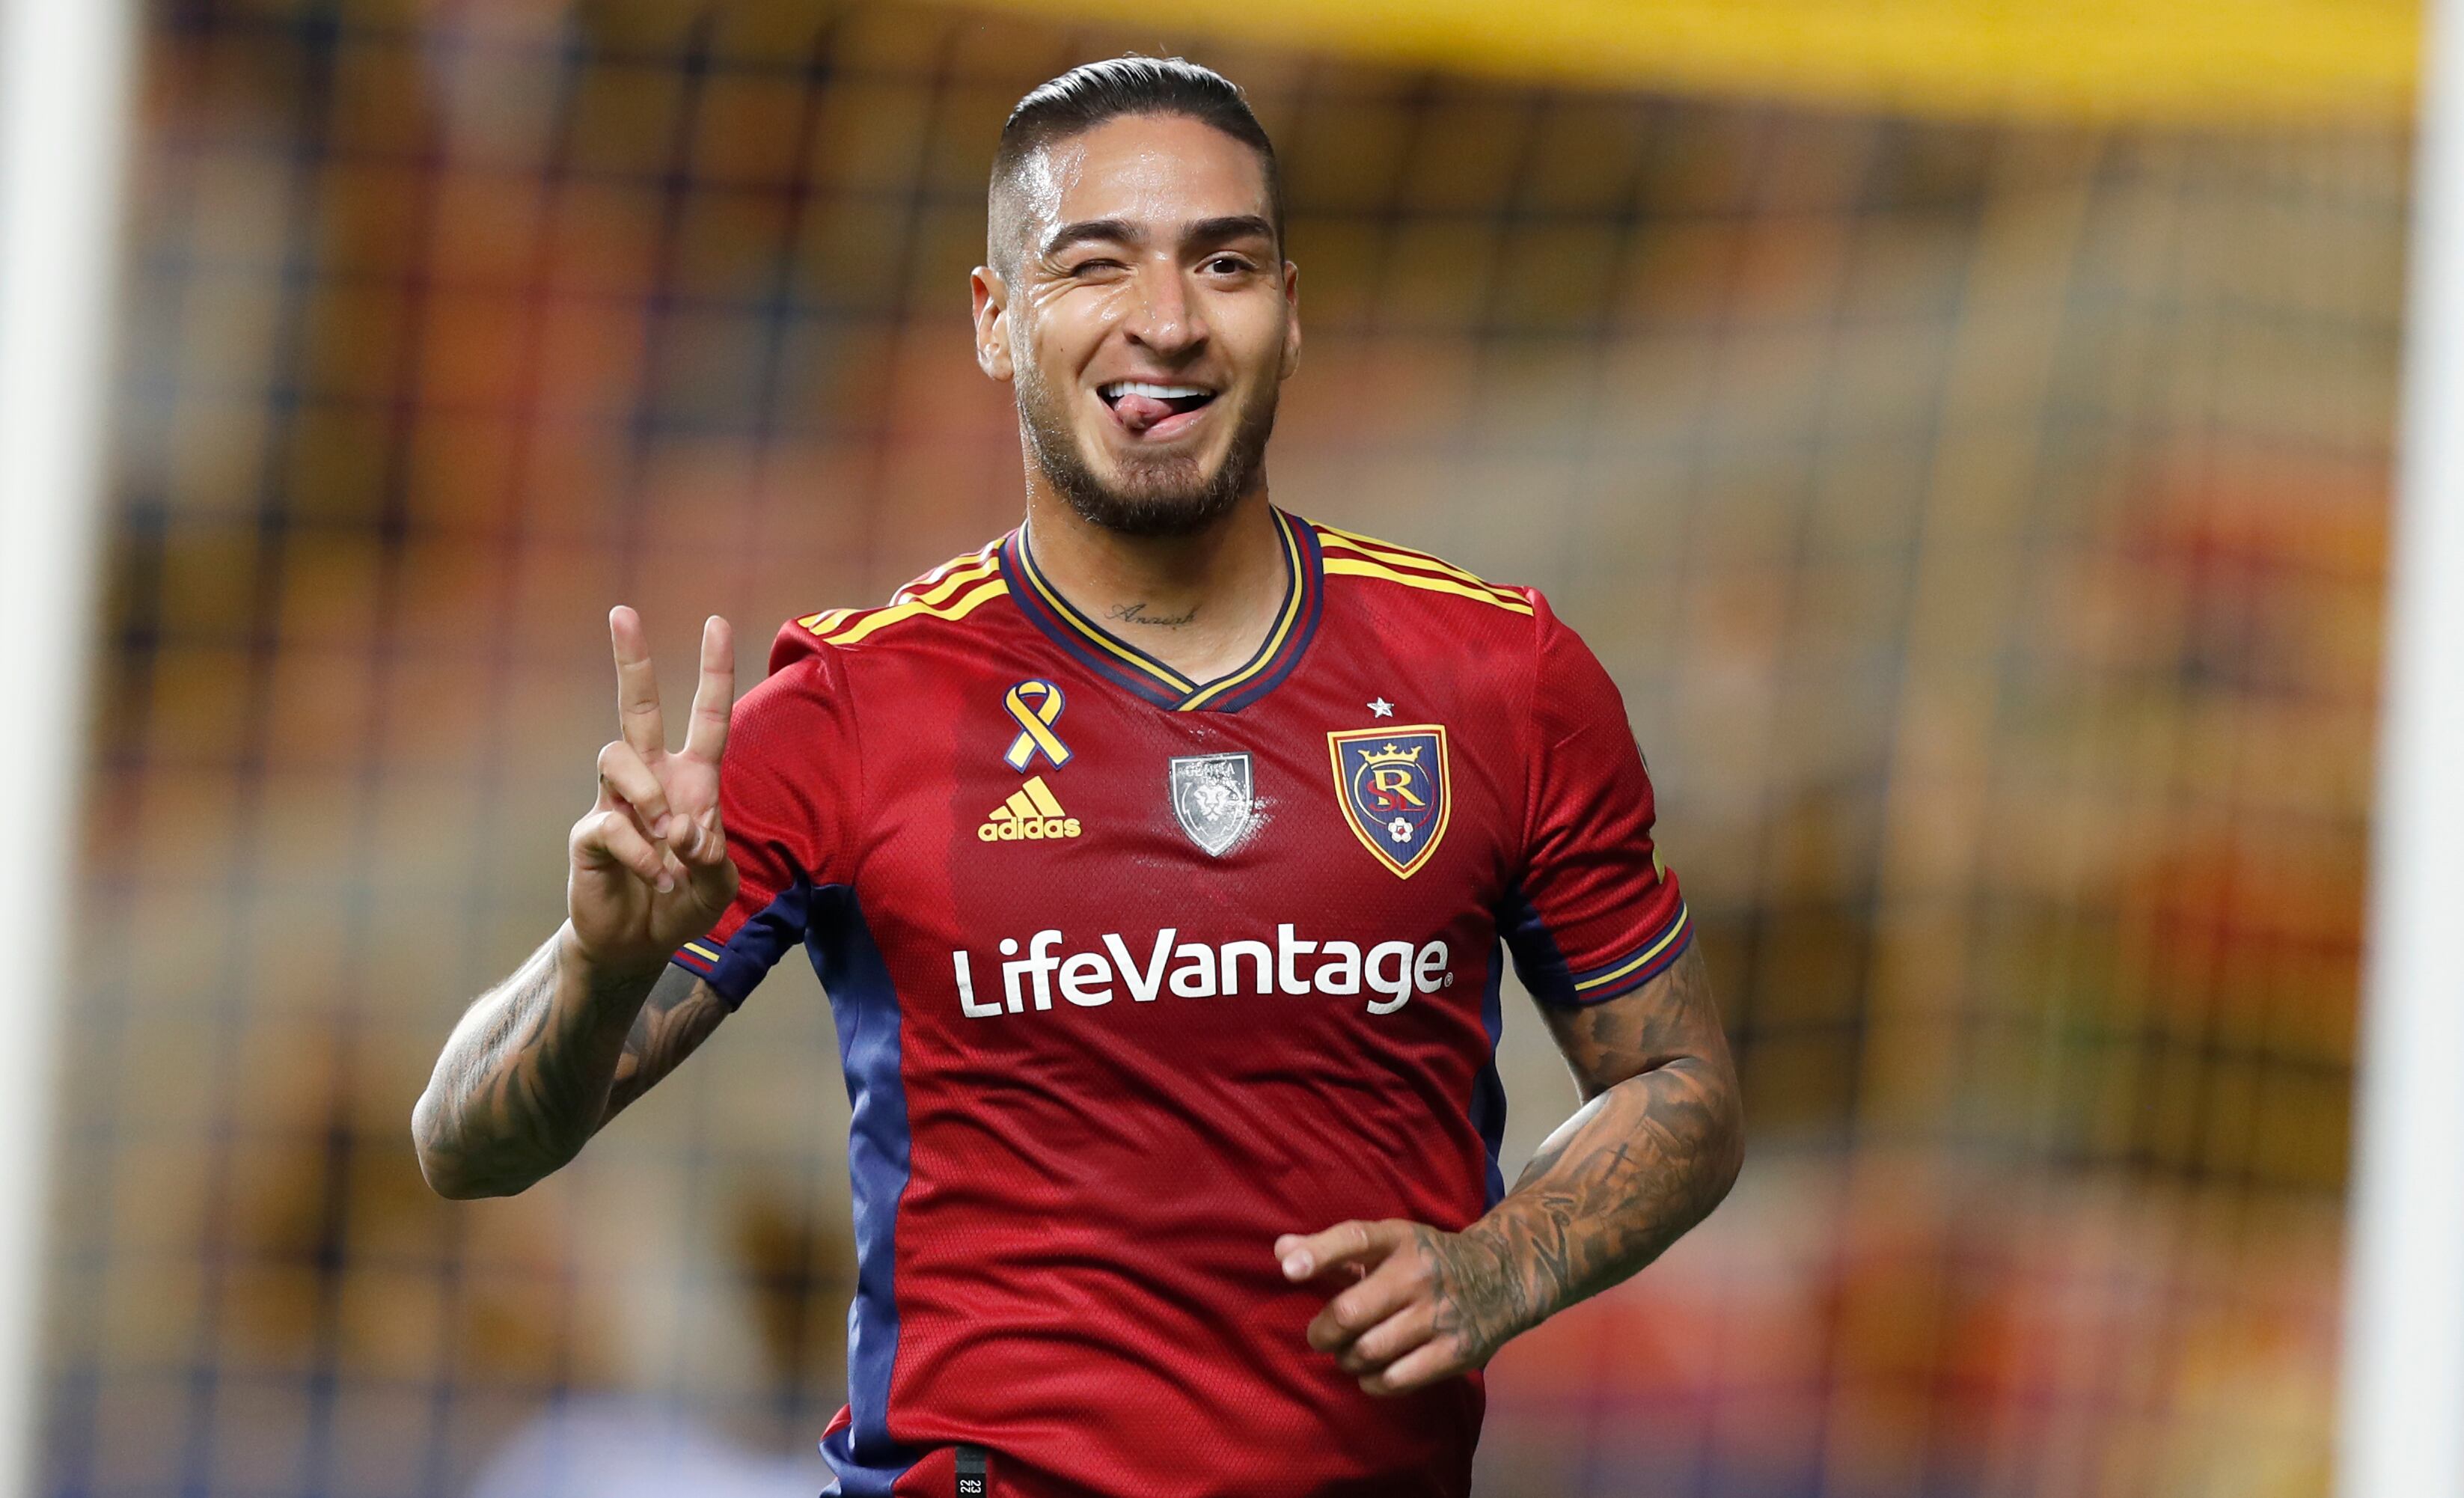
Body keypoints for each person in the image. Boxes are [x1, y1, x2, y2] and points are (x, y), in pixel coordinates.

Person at [411, 55, 1743, 1498]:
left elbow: (1681, 1086)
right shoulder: (857, 704)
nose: (1164, 321)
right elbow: (465, 1143)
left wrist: (1498, 1267)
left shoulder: (1498, 675)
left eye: (1220, 263)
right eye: (1093, 264)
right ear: (996, 321)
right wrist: (603, 966)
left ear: (1290, 310)